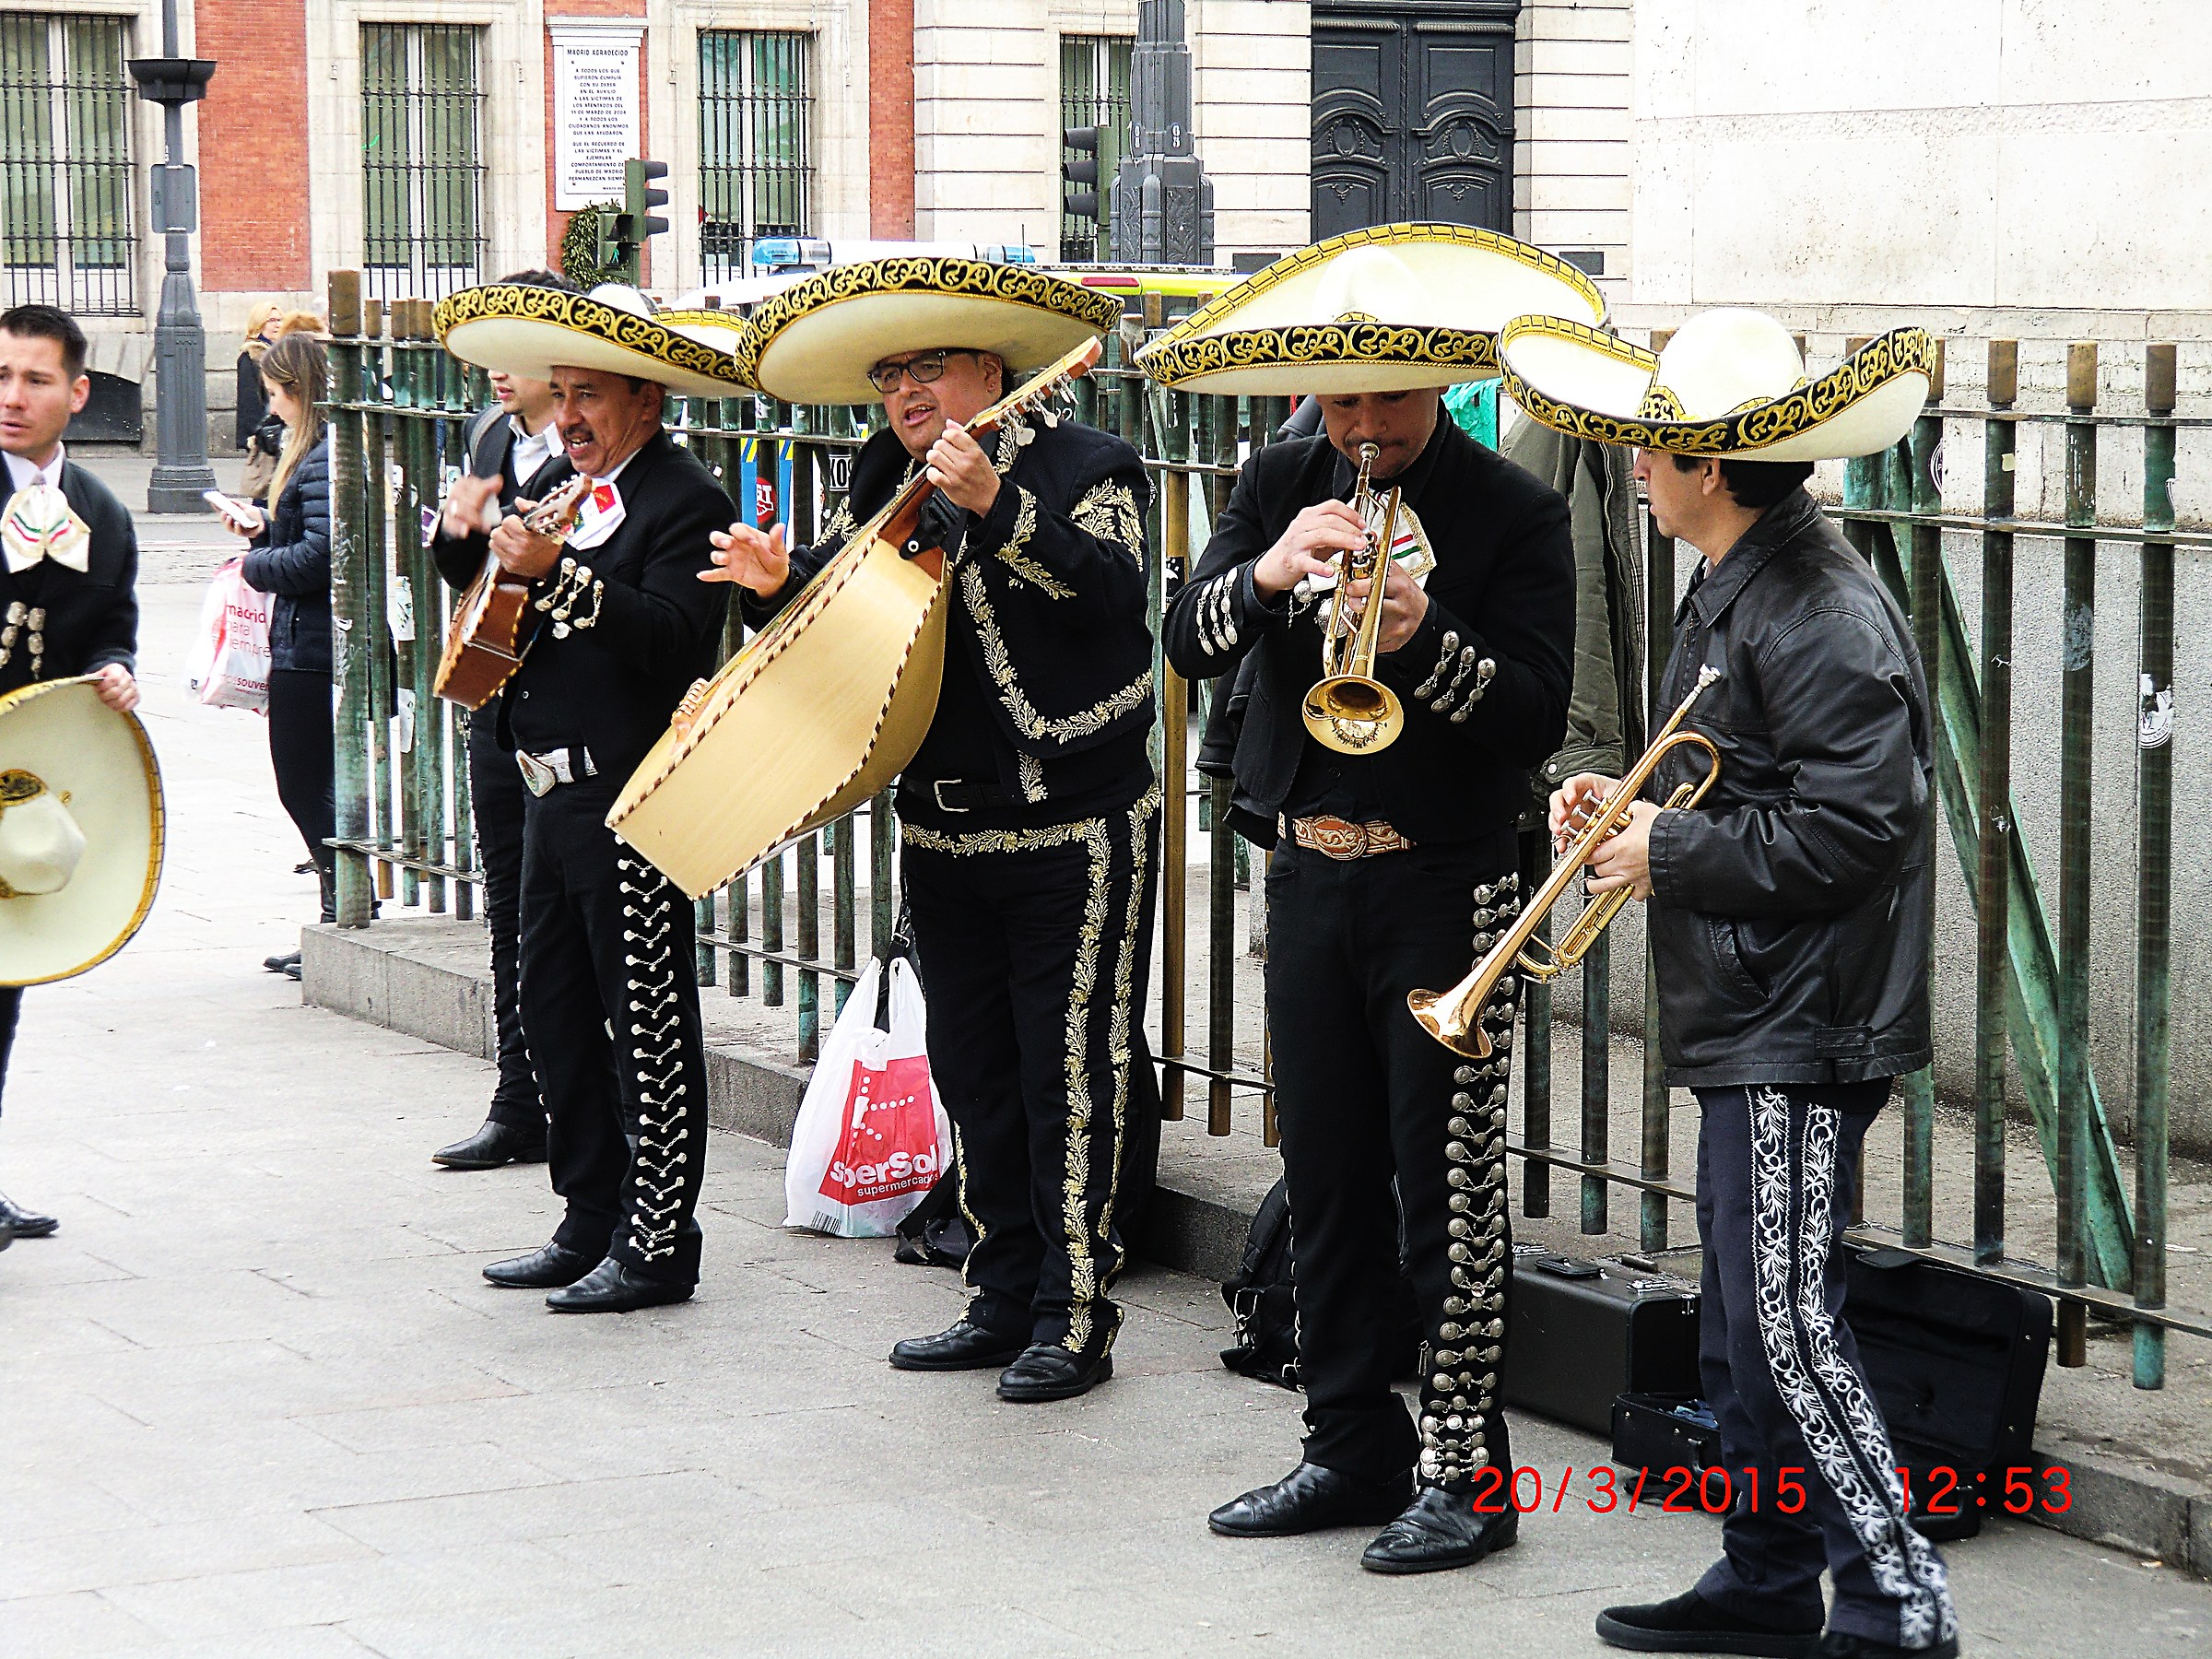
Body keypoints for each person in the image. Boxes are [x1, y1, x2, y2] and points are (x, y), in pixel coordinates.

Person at [1499, 307, 1958, 1659]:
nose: (1634, 464)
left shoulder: (1816, 607)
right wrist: (1626, 811)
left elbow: (1859, 831)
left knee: (1790, 1330)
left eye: (1655, 446)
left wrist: (1668, 848)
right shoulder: (1742, 581)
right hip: (1757, 1010)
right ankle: (1764, 1581)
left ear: (1711, 464)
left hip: (1797, 1023)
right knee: (1745, 1337)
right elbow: (1738, 782)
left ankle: (1899, 1602)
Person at [1145, 227, 1598, 1572]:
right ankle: (1346, 1442)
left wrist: (1424, 636)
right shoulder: (1280, 479)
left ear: (1439, 384)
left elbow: (1534, 715)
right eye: (1341, 401)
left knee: (1446, 1191)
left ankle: (1468, 1477)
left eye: (1387, 399)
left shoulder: (1513, 512)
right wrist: (1270, 573)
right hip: (1307, 869)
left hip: (1445, 882)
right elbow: (1184, 638)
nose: (1363, 428)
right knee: (1328, 1177)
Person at [704, 256, 1157, 1403]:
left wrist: (999, 509)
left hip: (1074, 823)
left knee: (1069, 1078)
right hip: (944, 830)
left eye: (928, 368)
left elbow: (1115, 595)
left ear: (990, 372)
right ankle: (1000, 1294)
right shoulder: (879, 474)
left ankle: (1076, 1314)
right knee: (973, 1070)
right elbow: (850, 600)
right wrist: (775, 586)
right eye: (889, 374)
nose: (904, 392)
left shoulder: (1089, 465)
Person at [432, 283, 738, 1313]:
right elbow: (499, 602)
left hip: (631, 798)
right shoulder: (570, 485)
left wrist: (558, 570)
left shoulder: (686, 498)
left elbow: (671, 637)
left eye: (589, 396)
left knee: (645, 1022)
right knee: (554, 1014)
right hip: (547, 795)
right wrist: (467, 541)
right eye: (560, 395)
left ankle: (659, 1242)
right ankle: (588, 1218)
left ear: (646, 400)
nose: (567, 417)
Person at [0, 302, 144, 1246]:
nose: (12, 397)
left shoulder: (104, 511)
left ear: (78, 392)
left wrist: (118, 670)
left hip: (21, 795)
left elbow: (111, 627)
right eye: (0, 377)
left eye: (35, 379)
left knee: (1, 994)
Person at [426, 269, 572, 1173]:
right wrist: (458, 530)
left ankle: (578, 1097)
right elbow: (471, 579)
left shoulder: (593, 448)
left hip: (571, 715)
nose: (495, 368)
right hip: (495, 698)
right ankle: (520, 1100)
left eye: (512, 349)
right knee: (509, 908)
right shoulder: (489, 436)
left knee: (571, 919)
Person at [218, 330, 333, 977]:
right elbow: (309, 534)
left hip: (313, 645)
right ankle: (338, 910)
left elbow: (320, 556)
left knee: (303, 785)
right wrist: (264, 526)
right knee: (310, 784)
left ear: (295, 390)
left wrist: (254, 564)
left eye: (272, 393)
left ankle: (343, 910)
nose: (270, 405)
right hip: (304, 638)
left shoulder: (318, 458)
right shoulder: (312, 453)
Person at [236, 301, 281, 453]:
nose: (278, 325)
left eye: (280, 320)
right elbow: (249, 401)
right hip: (264, 433)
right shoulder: (251, 357)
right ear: (259, 324)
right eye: (272, 320)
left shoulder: (279, 353)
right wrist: (255, 434)